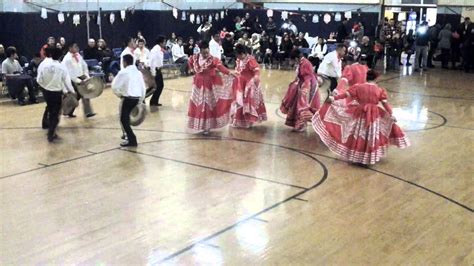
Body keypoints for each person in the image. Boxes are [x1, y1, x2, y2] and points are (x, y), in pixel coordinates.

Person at [311, 70, 410, 165]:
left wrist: (333, 98)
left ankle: (357, 155)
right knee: (370, 134)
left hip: (360, 113)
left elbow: (345, 95)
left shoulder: (359, 87)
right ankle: (368, 156)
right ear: (375, 79)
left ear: (366, 77)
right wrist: (391, 114)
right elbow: (385, 104)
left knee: (358, 133)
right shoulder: (379, 90)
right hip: (374, 115)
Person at [186, 41, 235, 134]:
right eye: (203, 52)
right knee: (198, 104)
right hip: (198, 85)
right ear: (200, 51)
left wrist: (229, 73)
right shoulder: (195, 58)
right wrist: (191, 69)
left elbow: (220, 67)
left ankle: (207, 127)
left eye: (207, 52)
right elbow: (189, 61)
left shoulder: (213, 59)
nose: (205, 54)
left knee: (207, 105)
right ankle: (200, 125)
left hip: (209, 85)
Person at [37, 48, 75, 142]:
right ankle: (51, 133)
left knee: (50, 110)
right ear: (60, 56)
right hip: (56, 93)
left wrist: (45, 87)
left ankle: (50, 129)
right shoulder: (61, 67)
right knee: (55, 114)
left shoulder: (45, 66)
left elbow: (39, 80)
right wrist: (71, 91)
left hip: (47, 92)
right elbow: (67, 81)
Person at [280, 49, 320, 132]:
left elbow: (307, 78)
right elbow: (300, 75)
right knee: (297, 105)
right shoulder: (301, 63)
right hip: (302, 85)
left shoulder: (305, 63)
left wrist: (305, 90)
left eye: (293, 59)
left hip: (308, 86)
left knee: (303, 106)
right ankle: (298, 124)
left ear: (296, 58)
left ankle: (302, 125)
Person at [111, 54, 146, 147]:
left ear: (124, 62)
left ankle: (132, 140)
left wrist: (120, 95)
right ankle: (131, 139)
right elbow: (143, 87)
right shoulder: (138, 72)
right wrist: (141, 100)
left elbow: (114, 86)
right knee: (126, 119)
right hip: (137, 98)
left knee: (124, 120)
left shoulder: (123, 72)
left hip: (128, 98)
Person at [230, 44, 267, 128]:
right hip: (240, 84)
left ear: (242, 53)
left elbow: (256, 70)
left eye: (238, 55)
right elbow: (238, 70)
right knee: (239, 102)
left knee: (247, 103)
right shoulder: (239, 60)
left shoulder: (250, 59)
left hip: (249, 84)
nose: (237, 57)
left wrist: (254, 80)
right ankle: (238, 120)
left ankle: (248, 122)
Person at [62, 43, 95, 118]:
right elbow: (70, 73)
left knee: (84, 94)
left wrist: (86, 76)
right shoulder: (67, 59)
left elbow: (84, 65)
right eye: (75, 47)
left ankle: (88, 112)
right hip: (72, 80)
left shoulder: (78, 55)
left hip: (81, 77)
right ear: (70, 48)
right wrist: (79, 81)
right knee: (75, 96)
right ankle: (68, 111)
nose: (77, 48)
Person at [148, 35, 166, 107]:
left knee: (159, 86)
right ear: (160, 42)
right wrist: (153, 72)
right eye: (164, 42)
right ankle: (152, 101)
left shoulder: (159, 49)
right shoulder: (155, 49)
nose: (165, 43)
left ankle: (154, 101)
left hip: (158, 69)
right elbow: (151, 60)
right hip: (155, 69)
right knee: (158, 86)